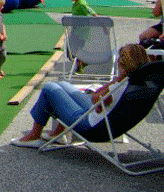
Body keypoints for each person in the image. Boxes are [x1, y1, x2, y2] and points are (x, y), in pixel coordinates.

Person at [11, 44, 149, 148]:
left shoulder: (119, 87)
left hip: (93, 126)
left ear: (123, 63)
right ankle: (58, 134)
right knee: (64, 85)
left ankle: (34, 135)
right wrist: (117, 80)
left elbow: (98, 103)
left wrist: (112, 83)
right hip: (106, 120)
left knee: (50, 88)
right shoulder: (137, 83)